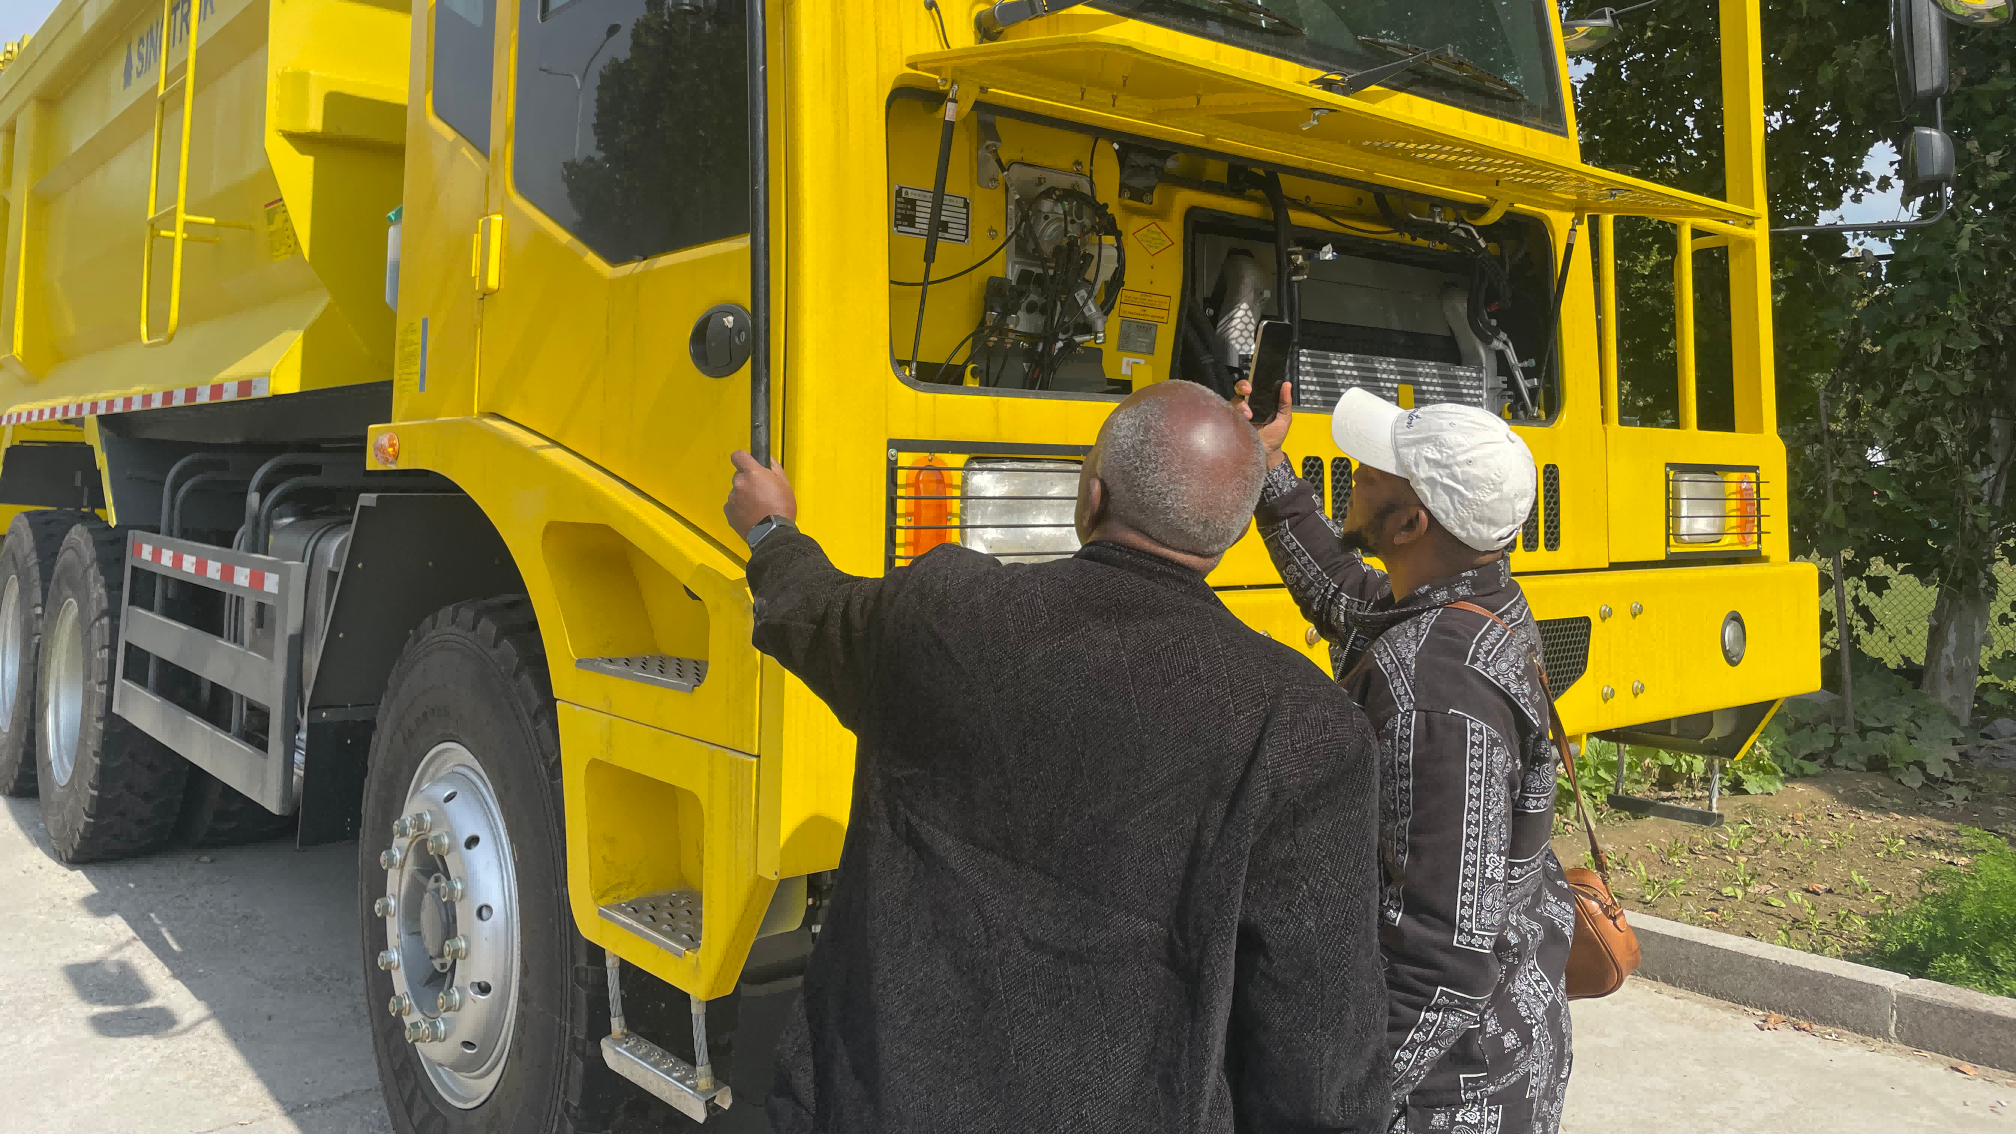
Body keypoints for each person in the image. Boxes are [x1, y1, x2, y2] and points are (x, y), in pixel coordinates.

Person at [722, 380, 1390, 1134]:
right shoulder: (1303, 726)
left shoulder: (943, 610)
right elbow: (1321, 1065)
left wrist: (771, 528)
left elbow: (809, 609)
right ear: (1232, 536)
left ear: (1092, 493)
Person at [1234, 379, 1575, 1134]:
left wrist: (1341, 1104)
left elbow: (1439, 956)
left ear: (1411, 521)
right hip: (1503, 1044)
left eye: (1371, 472)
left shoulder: (1436, 694)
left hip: (1447, 1094)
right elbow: (1348, 603)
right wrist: (1269, 471)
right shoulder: (1479, 600)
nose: (1352, 471)